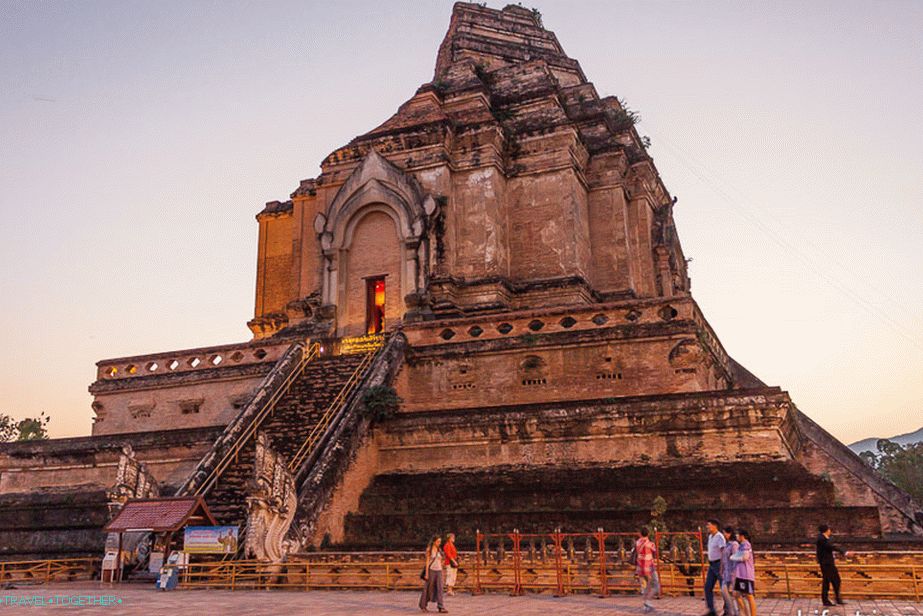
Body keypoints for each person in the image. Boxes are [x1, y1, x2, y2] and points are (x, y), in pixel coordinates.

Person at [816, 524, 849, 606]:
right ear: (827, 530)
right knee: (826, 581)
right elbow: (831, 546)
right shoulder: (821, 539)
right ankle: (826, 600)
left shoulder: (825, 538)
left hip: (829, 563)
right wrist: (844, 552)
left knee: (836, 580)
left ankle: (837, 598)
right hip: (826, 564)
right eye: (829, 530)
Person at [729, 529, 756, 616]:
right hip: (740, 574)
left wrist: (734, 558)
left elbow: (745, 557)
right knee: (736, 594)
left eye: (738, 535)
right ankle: (745, 613)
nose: (736, 536)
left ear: (742, 536)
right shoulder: (741, 545)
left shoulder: (746, 544)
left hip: (746, 575)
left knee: (749, 596)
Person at [703, 519, 726, 616]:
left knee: (723, 588)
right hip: (712, 565)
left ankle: (728, 610)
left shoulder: (719, 537)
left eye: (709, 525)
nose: (707, 527)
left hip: (719, 564)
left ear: (714, 526)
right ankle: (711, 609)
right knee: (708, 587)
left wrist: (723, 566)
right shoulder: (710, 537)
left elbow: (723, 551)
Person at [419, 536, 448, 613]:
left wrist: (442, 569)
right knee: (428, 588)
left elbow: (442, 559)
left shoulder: (439, 549)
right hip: (431, 570)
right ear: (434, 541)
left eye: (440, 541)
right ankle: (423, 605)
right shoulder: (429, 549)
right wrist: (427, 574)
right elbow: (427, 561)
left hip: (439, 571)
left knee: (440, 588)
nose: (439, 543)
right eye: (438, 541)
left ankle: (440, 606)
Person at [635, 527, 659, 613]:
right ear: (648, 534)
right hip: (649, 567)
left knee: (645, 586)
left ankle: (646, 604)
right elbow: (655, 552)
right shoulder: (650, 544)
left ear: (640, 534)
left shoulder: (637, 542)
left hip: (640, 567)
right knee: (655, 585)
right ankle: (648, 602)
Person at [719, 526, 739, 616]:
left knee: (736, 594)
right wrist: (721, 568)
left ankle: (736, 612)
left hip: (732, 572)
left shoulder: (734, 544)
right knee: (724, 591)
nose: (724, 535)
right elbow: (723, 558)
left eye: (725, 533)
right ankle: (730, 611)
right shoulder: (727, 545)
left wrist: (734, 572)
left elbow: (736, 558)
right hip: (726, 572)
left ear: (730, 533)